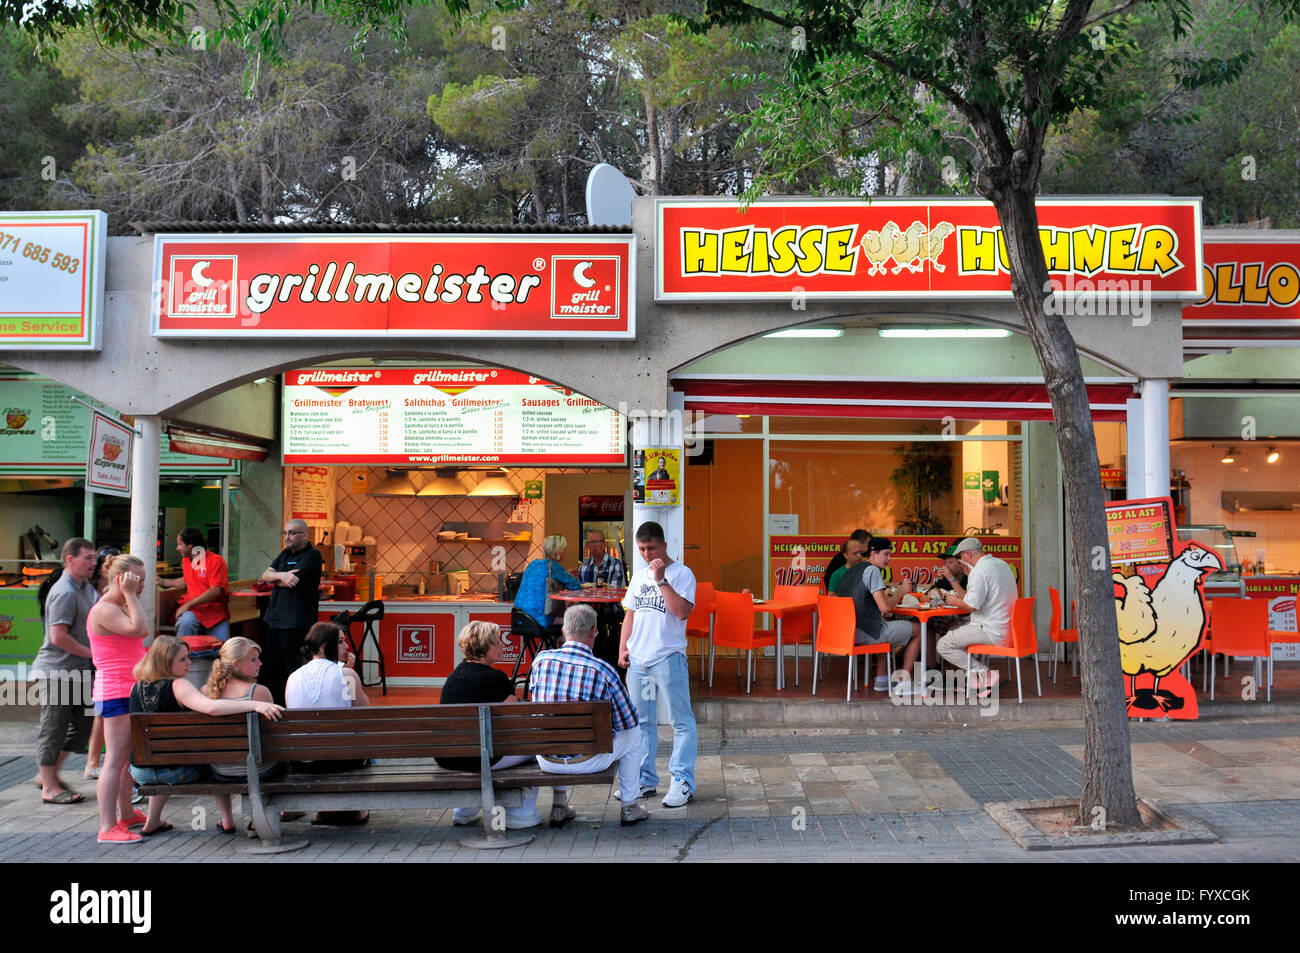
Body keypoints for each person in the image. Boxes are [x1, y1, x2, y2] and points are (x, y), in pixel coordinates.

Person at [129, 635, 284, 836]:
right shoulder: (179, 685)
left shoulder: (136, 686)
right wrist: (255, 704)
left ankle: (153, 821)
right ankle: (233, 819)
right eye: (183, 659)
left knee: (198, 757)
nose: (190, 662)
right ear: (167, 662)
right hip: (178, 772)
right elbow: (210, 707)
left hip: (141, 771)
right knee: (211, 758)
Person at [533, 604, 648, 826]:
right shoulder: (603, 670)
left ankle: (559, 805)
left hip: (547, 759)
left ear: (564, 632)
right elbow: (628, 720)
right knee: (634, 733)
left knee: (555, 728)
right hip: (588, 759)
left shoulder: (541, 662)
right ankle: (629, 806)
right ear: (594, 631)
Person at [618, 520, 697, 809]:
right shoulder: (638, 578)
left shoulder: (682, 574)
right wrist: (623, 647)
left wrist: (662, 579)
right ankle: (644, 779)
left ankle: (682, 781)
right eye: (642, 549)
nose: (647, 554)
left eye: (651, 548)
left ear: (664, 544)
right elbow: (631, 614)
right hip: (639, 659)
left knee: (681, 721)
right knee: (640, 722)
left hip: (669, 657)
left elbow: (681, 612)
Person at [437, 621, 542, 829]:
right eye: (497, 643)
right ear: (485, 647)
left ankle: (464, 810)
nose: (503, 646)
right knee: (536, 745)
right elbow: (517, 718)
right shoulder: (496, 679)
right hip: (483, 757)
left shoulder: (452, 678)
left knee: (482, 744)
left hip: (449, 757)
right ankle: (520, 812)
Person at [86, 554, 151, 844]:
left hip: (127, 688)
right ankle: (107, 826)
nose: (142, 586)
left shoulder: (117, 605)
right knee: (113, 760)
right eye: (139, 580)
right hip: (116, 690)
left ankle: (125, 813)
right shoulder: (106, 609)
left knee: (125, 761)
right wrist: (129, 594)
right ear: (122, 579)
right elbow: (141, 629)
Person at [31, 538, 97, 805]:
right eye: (88, 558)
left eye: (94, 558)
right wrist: (93, 654)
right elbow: (58, 637)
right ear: (70, 560)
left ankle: (47, 776)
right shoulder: (65, 592)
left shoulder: (84, 588)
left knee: (84, 726)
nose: (94, 563)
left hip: (78, 670)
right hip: (57, 671)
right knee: (54, 728)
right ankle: (49, 787)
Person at [936, 537, 1019, 697]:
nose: (960, 562)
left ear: (967, 555)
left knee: (944, 644)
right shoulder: (1000, 564)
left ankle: (985, 674)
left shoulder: (980, 571)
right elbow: (975, 598)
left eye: (960, 558)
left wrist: (951, 600)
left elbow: (971, 606)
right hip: (1008, 628)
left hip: (990, 630)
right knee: (956, 630)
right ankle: (976, 682)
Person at [843, 537, 923, 695]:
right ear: (873, 553)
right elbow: (885, 607)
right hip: (864, 633)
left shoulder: (853, 569)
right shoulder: (872, 570)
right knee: (919, 630)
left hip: (846, 632)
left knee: (882, 623)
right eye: (886, 554)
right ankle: (904, 682)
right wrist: (901, 591)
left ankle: (882, 679)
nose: (889, 559)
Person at [204, 638, 285, 785]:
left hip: (220, 771)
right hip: (259, 771)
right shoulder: (259, 692)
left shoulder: (205, 692)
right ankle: (282, 809)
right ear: (236, 665)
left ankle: (225, 810)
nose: (260, 663)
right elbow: (274, 737)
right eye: (253, 659)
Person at [260, 518, 323, 704]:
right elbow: (265, 576)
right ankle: (276, 705)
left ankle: (296, 707)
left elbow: (293, 581)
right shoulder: (285, 554)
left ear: (304, 535)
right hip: (274, 620)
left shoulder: (312, 556)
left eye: (292, 533)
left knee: (294, 669)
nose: (287, 537)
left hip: (296, 622)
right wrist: (282, 575)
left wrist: (277, 578)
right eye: (285, 533)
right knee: (272, 668)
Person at [158, 526, 230, 641]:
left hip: (215, 611)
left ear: (190, 545)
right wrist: (162, 581)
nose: (177, 548)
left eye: (180, 544)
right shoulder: (186, 560)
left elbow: (215, 590)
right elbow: (186, 582)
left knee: (222, 649)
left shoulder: (216, 561)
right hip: (194, 611)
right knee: (185, 623)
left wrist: (187, 605)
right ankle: (181, 655)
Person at [514, 534, 580, 633]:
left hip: (520, 616)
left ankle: (552, 646)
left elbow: (542, 579)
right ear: (558, 550)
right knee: (575, 621)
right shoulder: (554, 566)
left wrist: (565, 573)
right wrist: (571, 576)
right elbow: (575, 586)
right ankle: (566, 648)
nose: (564, 552)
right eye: (563, 549)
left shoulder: (533, 564)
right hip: (539, 618)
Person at [928, 543, 970, 646]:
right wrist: (936, 594)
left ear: (961, 563)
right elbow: (924, 596)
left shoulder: (969, 578)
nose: (946, 566)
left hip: (967, 617)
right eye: (945, 563)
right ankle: (930, 662)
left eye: (950, 562)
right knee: (925, 622)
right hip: (947, 616)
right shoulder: (944, 580)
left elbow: (968, 600)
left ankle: (950, 660)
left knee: (952, 626)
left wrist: (951, 579)